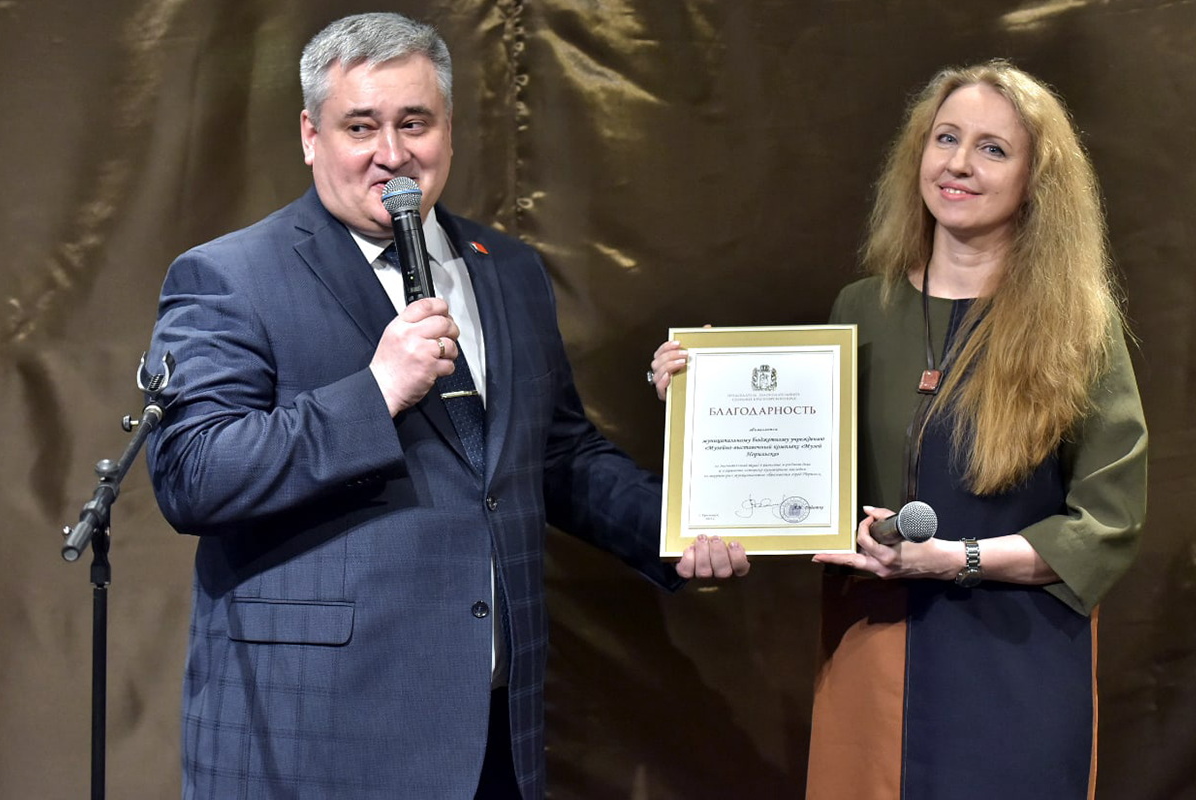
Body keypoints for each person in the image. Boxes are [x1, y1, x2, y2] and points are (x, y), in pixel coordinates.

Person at [143, 12, 748, 800]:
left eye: (413, 123)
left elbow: (556, 456)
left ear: (449, 131)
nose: (391, 153)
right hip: (314, 740)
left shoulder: (507, 269)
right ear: (310, 136)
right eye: (360, 126)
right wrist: (376, 392)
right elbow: (193, 475)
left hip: (489, 732)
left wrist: (679, 529)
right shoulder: (232, 276)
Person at [651, 59, 1147, 798]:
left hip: (1016, 671)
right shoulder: (861, 308)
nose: (958, 163)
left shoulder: (1080, 326)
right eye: (946, 138)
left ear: (1036, 182)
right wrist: (704, 400)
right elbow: (809, 484)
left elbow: (1106, 523)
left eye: (992, 148)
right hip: (871, 658)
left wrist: (956, 559)